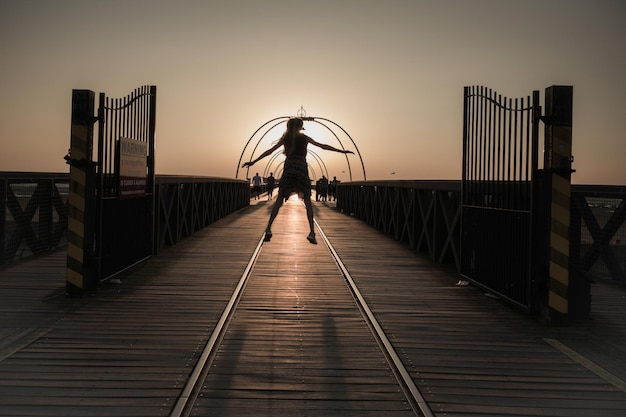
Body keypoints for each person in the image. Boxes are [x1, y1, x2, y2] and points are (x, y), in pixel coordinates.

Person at [242, 117, 353, 244]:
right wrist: (342, 151)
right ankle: (311, 232)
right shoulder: (305, 138)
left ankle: (268, 228)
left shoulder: (286, 139)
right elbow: (323, 146)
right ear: (300, 127)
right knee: (307, 200)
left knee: (279, 200)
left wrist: (253, 161)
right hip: (301, 168)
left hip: (289, 168)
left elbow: (269, 151)